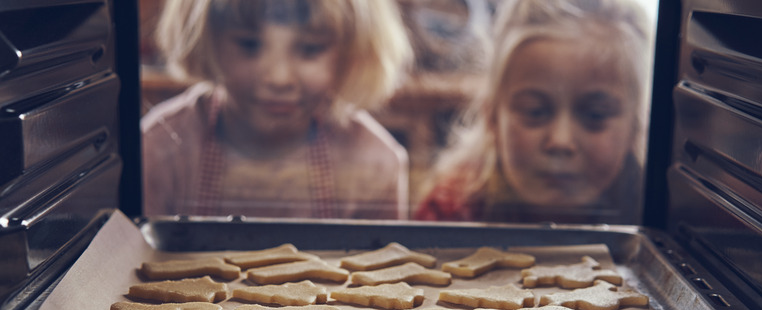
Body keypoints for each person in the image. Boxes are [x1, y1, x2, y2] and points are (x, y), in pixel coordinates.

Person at [142, 0, 413, 219]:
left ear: (351, 50)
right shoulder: (156, 148)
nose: (279, 77)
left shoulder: (376, 165)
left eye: (310, 49)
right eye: (250, 44)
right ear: (207, 38)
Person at [414, 0, 652, 224]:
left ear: (636, 125)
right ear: (492, 116)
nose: (561, 141)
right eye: (535, 111)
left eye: (595, 115)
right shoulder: (452, 210)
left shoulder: (658, 212)